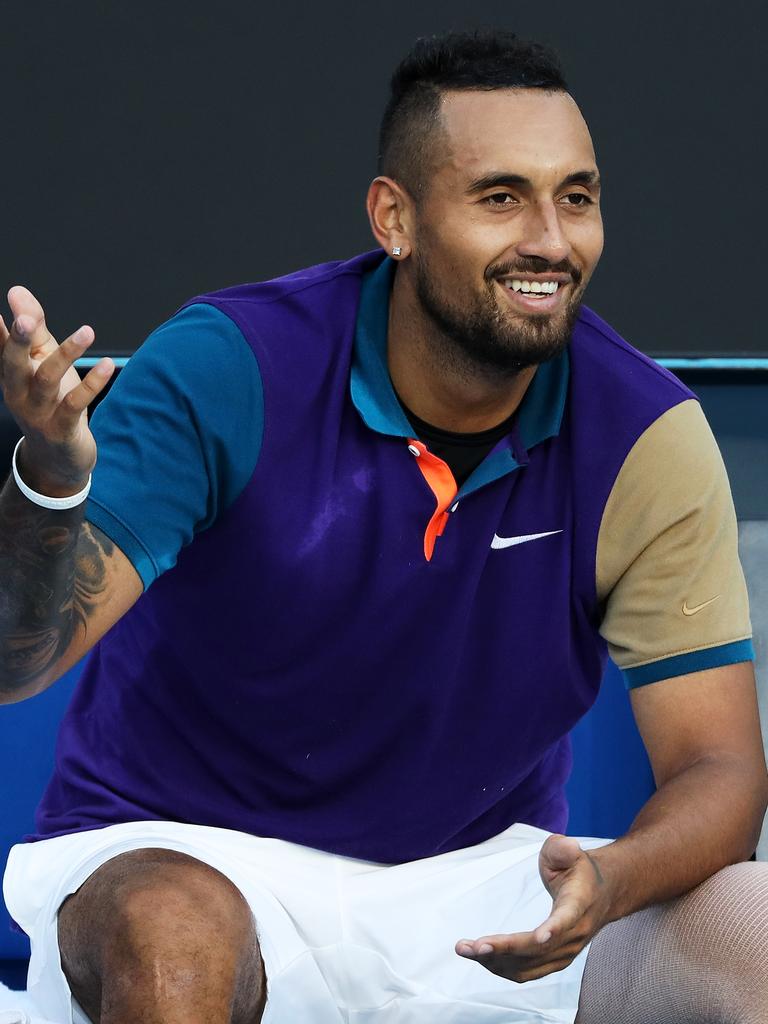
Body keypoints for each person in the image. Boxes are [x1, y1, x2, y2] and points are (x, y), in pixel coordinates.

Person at [1, 29, 767, 1024]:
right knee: (170, 934)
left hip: (482, 892)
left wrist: (609, 883)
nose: (551, 237)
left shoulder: (646, 434)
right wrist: (51, 484)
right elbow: (16, 660)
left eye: (576, 196)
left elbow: (721, 771)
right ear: (395, 218)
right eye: (501, 197)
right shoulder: (228, 365)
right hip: (191, 856)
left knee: (751, 925)